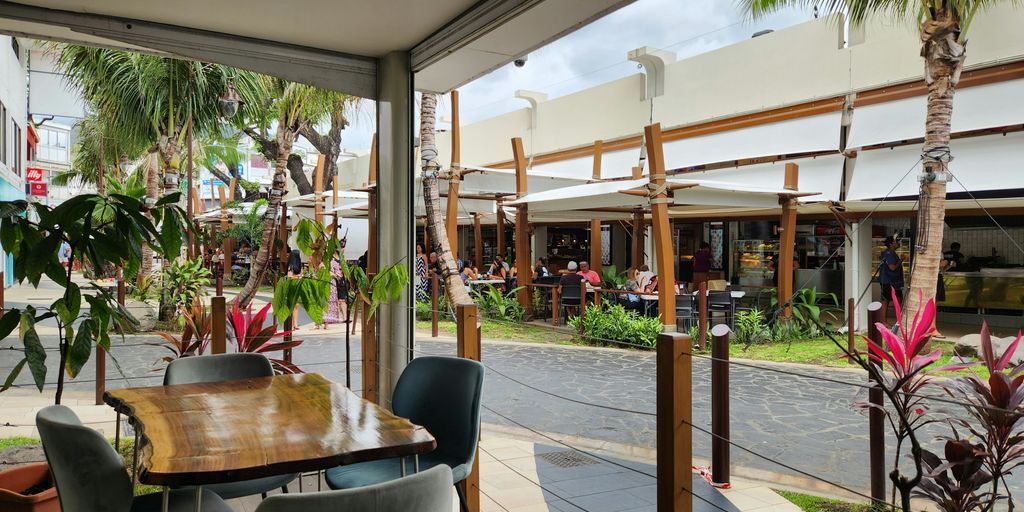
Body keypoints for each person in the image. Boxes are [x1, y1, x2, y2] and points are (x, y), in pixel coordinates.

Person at [879, 235, 904, 324]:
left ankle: (898, 322)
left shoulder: (891, 253)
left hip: (894, 281)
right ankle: (883, 321)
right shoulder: (889, 254)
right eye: (896, 242)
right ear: (891, 244)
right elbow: (892, 267)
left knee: (898, 300)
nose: (898, 243)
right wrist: (901, 260)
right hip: (888, 281)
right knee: (886, 300)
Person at [321, 249, 344, 329]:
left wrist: (335, 274)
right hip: (324, 282)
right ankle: (321, 322)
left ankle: (327, 323)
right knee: (324, 301)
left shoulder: (333, 261)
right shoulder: (322, 262)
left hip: (332, 283)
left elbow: (338, 272)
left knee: (331, 302)